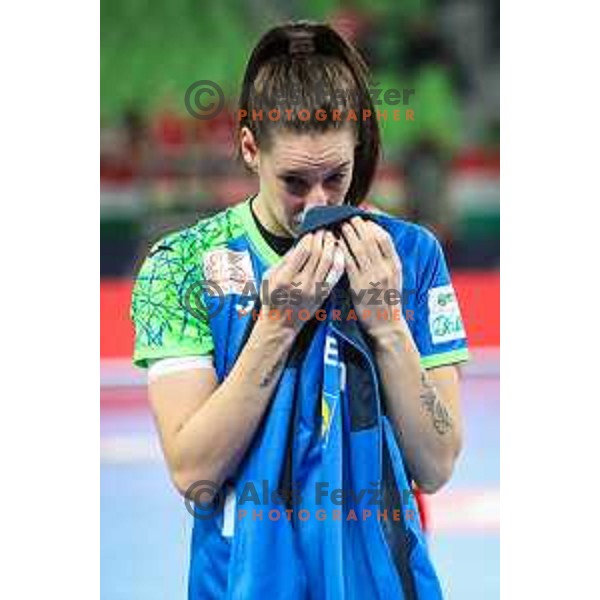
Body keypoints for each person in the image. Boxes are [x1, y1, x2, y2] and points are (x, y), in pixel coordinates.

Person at [131, 21, 469, 599]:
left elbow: (435, 464)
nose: (318, 203)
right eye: (294, 181)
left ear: (357, 145)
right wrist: (276, 326)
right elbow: (195, 475)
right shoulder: (180, 265)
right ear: (248, 148)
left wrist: (387, 325)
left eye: (335, 177)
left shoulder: (411, 255)